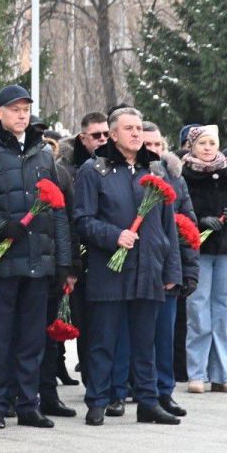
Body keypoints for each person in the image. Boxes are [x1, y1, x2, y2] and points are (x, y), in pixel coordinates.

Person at [0, 85, 71, 430]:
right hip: (1, 262)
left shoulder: (43, 154)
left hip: (38, 261)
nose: (22, 114)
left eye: (26, 108)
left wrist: (63, 261)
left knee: (31, 337)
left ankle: (29, 403)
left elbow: (57, 209)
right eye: (14, 109)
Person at [73, 107, 182, 426]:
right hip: (111, 269)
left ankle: (148, 401)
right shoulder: (95, 170)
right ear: (114, 133)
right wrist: (113, 235)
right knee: (104, 339)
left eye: (138, 128)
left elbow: (168, 227)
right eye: (129, 128)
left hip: (149, 268)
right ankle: (98, 400)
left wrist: (171, 270)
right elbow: (81, 220)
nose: (136, 133)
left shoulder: (156, 171)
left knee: (145, 342)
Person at [182, 125, 227, 395]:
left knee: (223, 310)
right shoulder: (184, 174)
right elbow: (179, 209)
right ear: (192, 146)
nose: (208, 148)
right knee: (198, 309)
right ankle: (196, 373)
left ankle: (221, 373)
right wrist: (199, 220)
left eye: (212, 143)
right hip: (200, 248)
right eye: (202, 143)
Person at [142, 122, 198, 417]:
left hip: (168, 268)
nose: (152, 150)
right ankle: (132, 390)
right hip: (138, 268)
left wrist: (189, 270)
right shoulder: (132, 176)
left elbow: (188, 227)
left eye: (157, 145)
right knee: (138, 336)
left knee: (165, 335)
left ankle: (164, 391)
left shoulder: (175, 179)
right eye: (147, 145)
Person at [56, 111, 109, 385]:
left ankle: (103, 378)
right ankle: (88, 376)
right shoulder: (65, 168)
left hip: (106, 249)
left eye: (106, 134)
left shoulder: (114, 164)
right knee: (82, 319)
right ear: (83, 137)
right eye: (96, 135)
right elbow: (66, 217)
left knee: (102, 321)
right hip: (77, 253)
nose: (102, 139)